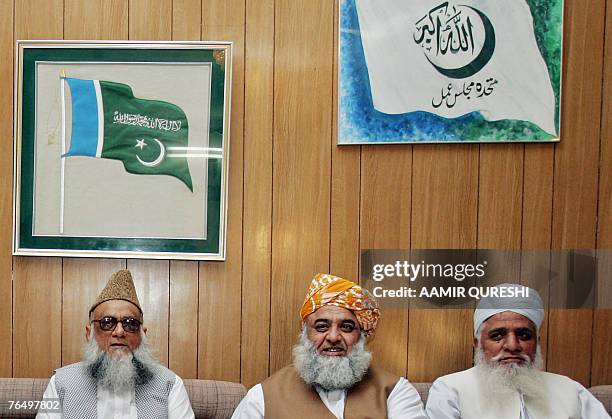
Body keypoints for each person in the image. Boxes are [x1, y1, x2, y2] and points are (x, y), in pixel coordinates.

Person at [232, 273, 427, 418]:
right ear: (305, 333)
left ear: (362, 336)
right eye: (322, 326)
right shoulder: (263, 396)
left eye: (347, 327)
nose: (333, 336)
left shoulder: (395, 392)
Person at [426, 283, 611, 419]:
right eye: (497, 335)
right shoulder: (450, 390)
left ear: (536, 343)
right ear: (478, 344)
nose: (512, 345)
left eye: (524, 335)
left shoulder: (571, 391)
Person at [37, 269, 195, 419]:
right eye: (107, 322)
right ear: (89, 333)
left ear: (142, 334)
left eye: (130, 323)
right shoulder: (60, 383)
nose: (119, 332)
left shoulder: (170, 384)